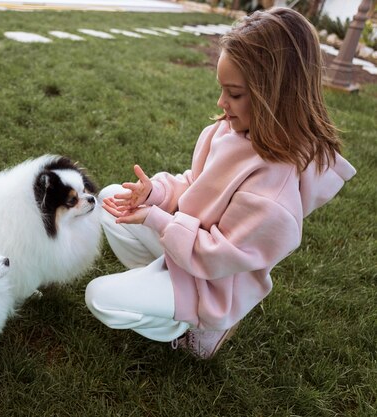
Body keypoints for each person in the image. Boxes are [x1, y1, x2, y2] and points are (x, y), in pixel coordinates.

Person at [85, 7, 356, 359]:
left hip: (215, 283)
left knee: (99, 297)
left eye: (235, 94)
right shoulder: (228, 131)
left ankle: (203, 323)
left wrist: (155, 218)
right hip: (187, 249)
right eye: (222, 89)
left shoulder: (274, 192)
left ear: (275, 96)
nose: (221, 103)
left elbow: (217, 255)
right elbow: (194, 186)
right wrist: (155, 193)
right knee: (111, 201)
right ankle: (163, 290)